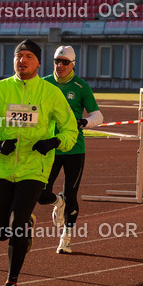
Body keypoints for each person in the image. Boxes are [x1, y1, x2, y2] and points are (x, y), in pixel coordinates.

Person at [0, 39, 77, 286]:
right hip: (2, 167)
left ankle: (11, 284)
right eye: (19, 56)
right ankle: (26, 224)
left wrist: (54, 142)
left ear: (38, 62)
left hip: (35, 168)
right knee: (0, 231)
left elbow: (70, 129)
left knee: (17, 225)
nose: (22, 61)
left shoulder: (50, 93)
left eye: (28, 56)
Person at [38, 46, 102, 253]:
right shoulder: (43, 83)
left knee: (72, 194)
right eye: (57, 61)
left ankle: (66, 238)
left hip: (75, 149)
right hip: (50, 148)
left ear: (73, 64)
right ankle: (58, 201)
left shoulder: (81, 86)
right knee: (40, 194)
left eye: (65, 62)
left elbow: (97, 115)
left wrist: (84, 122)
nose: (60, 65)